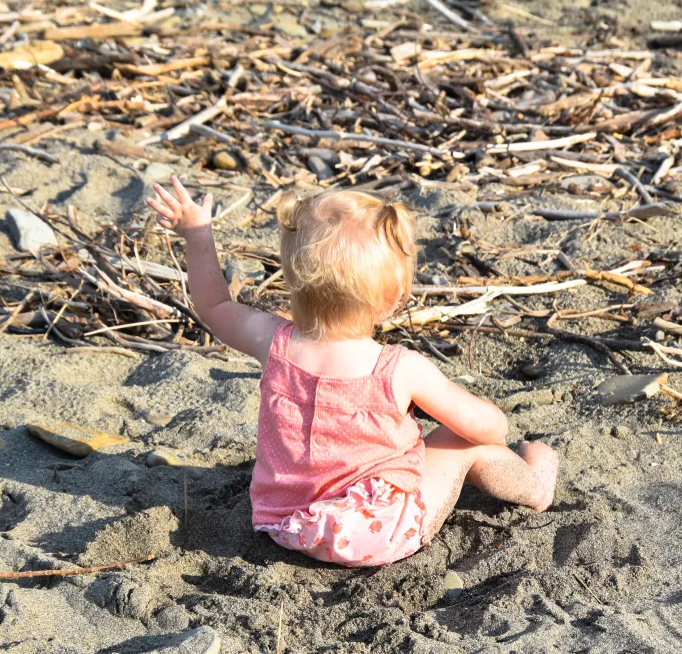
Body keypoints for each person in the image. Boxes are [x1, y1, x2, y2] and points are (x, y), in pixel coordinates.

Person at [147, 177, 558, 567]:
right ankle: (537, 488)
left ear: (292, 277)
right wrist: (496, 424)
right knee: (460, 443)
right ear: (392, 298)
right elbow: (485, 430)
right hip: (377, 534)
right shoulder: (399, 368)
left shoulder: (272, 342)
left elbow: (214, 307)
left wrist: (198, 234)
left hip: (285, 524)